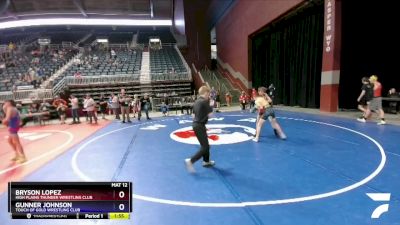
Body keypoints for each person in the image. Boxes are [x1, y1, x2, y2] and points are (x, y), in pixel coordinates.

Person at [185, 86, 215, 173]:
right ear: (205, 93)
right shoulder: (205, 101)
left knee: (205, 145)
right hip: (200, 125)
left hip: (196, 125)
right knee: (205, 147)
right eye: (208, 94)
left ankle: (206, 161)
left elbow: (193, 115)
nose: (209, 95)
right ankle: (191, 161)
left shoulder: (196, 102)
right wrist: (211, 106)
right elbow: (210, 115)